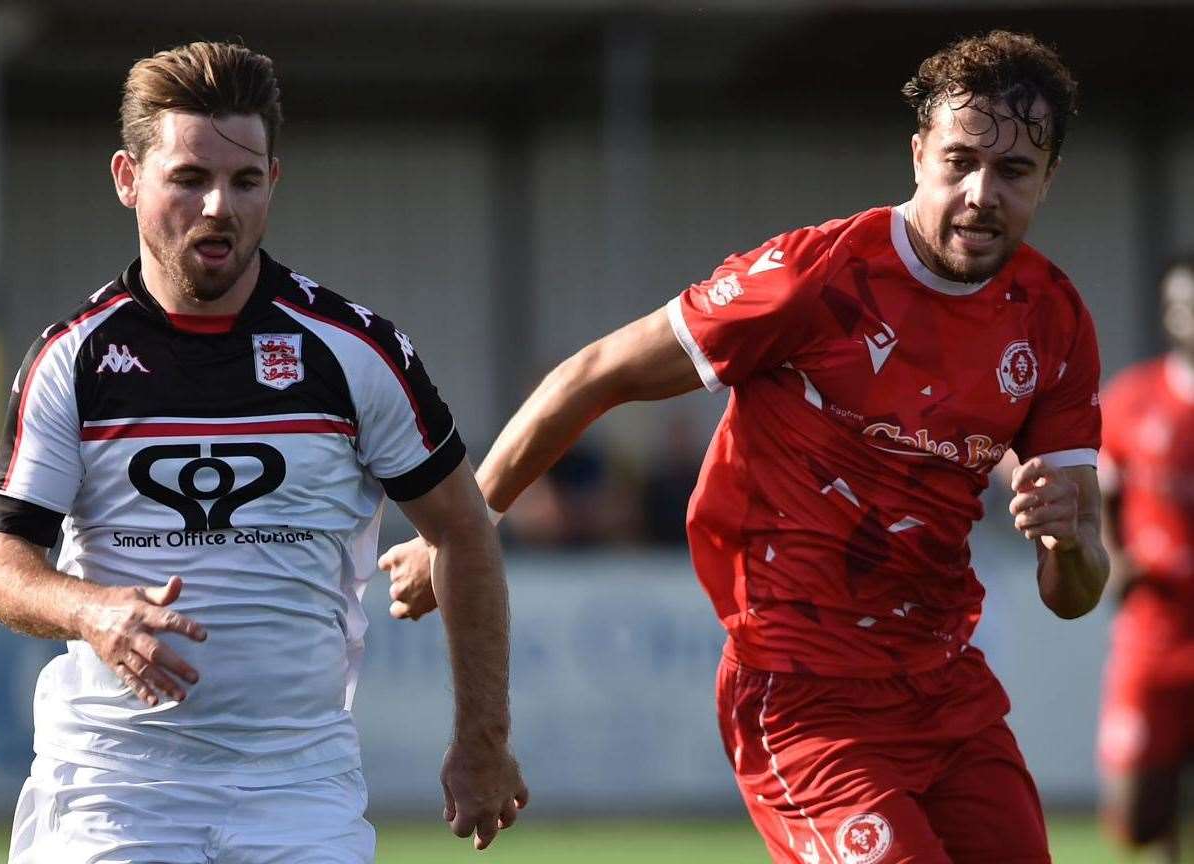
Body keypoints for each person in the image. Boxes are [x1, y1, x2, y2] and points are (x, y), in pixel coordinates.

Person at [383, 30, 1106, 863]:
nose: (980, 193)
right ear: (918, 156)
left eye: (1013, 171)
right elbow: (593, 375)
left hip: (949, 690)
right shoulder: (815, 278)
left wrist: (1071, 544)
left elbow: (1073, 591)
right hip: (803, 698)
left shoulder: (1052, 321)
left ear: (1048, 180)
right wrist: (466, 525)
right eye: (959, 161)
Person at [0, 41, 525, 864]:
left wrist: (482, 738)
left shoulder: (353, 352)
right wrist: (91, 612)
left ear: (275, 180)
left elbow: (463, 530)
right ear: (128, 179)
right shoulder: (75, 358)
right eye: (189, 179)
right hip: (112, 789)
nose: (217, 208)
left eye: (244, 181)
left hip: (296, 788)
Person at [1097, 257, 1194, 863]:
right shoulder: (1134, 399)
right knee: (1138, 816)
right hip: (1155, 631)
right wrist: (1113, 560)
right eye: (1179, 301)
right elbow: (1102, 490)